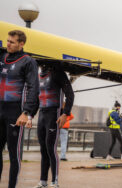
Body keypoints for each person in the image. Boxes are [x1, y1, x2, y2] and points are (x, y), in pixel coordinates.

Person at [0, 30, 39, 188]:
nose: (8, 44)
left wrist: (26, 113)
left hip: (15, 113)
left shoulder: (28, 61)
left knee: (13, 154)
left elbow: (33, 88)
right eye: (7, 41)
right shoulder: (2, 56)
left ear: (21, 44)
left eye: (12, 42)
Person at [33, 63, 74, 188]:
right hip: (42, 115)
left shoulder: (58, 73)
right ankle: (43, 181)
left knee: (51, 148)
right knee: (43, 149)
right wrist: (29, 116)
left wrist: (65, 113)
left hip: (53, 114)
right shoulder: (39, 75)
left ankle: (55, 181)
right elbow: (36, 99)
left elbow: (70, 94)